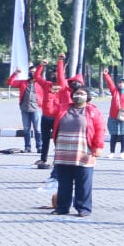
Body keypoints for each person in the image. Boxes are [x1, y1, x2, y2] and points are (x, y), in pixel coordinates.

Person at [51, 83, 104, 215]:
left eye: (82, 94)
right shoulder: (63, 108)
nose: (78, 96)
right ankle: (62, 207)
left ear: (88, 96)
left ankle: (83, 208)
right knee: (64, 183)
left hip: (84, 153)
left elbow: (100, 129)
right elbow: (47, 110)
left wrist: (98, 146)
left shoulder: (93, 111)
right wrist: (50, 94)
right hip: (64, 153)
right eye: (76, 93)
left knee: (83, 183)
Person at [7, 66, 44, 152]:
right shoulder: (23, 82)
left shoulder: (41, 83)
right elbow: (10, 83)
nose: (32, 73)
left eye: (34, 72)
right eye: (31, 72)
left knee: (38, 129)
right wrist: (15, 73)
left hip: (37, 109)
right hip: (25, 109)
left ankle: (39, 147)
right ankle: (27, 147)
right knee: (26, 129)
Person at [101, 70, 124, 158]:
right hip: (113, 116)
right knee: (114, 134)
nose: (121, 84)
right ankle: (112, 152)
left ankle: (122, 152)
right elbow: (110, 83)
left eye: (123, 82)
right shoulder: (114, 91)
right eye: (120, 82)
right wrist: (106, 75)